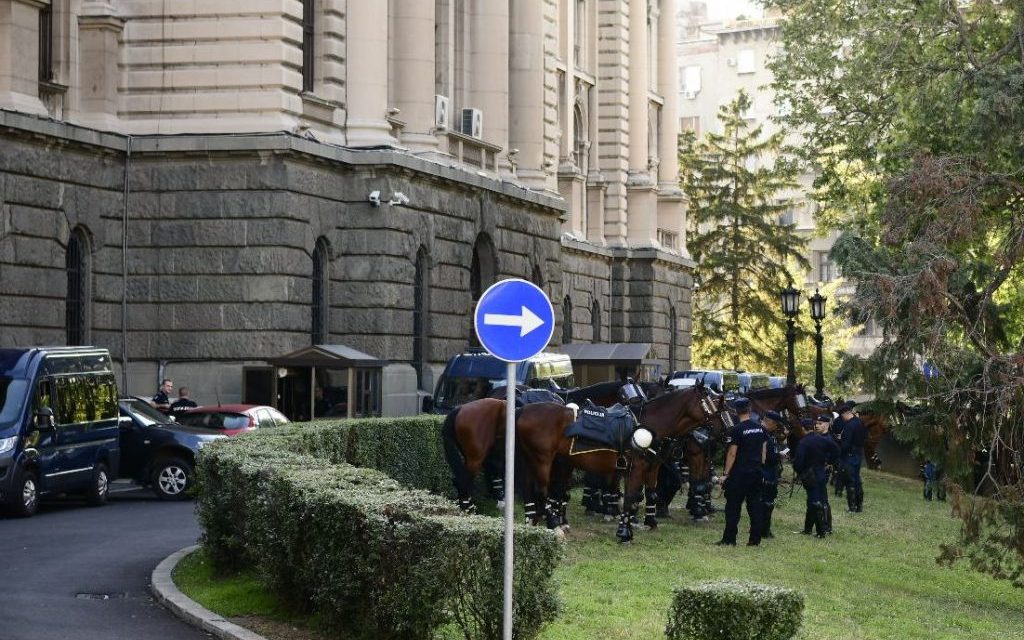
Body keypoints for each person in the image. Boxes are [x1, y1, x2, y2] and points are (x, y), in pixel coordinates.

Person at [716, 397, 768, 547]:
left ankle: (729, 539)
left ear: (736, 411)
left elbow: (732, 453)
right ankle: (754, 540)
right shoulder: (761, 429)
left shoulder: (737, 430)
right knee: (755, 507)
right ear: (750, 409)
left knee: (733, 507)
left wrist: (726, 474)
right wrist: (760, 467)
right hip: (756, 472)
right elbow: (763, 452)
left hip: (739, 474)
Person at [793, 415, 841, 537]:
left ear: (803, 429)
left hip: (810, 475)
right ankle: (808, 528)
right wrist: (830, 462)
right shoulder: (823, 440)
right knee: (815, 500)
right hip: (821, 472)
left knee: (815, 502)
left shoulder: (803, 442)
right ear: (813, 427)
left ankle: (821, 531)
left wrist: (799, 472)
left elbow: (798, 462)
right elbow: (836, 451)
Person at [760, 410, 787, 539]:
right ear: (770, 422)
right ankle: (763, 530)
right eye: (776, 424)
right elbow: (769, 457)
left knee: (766, 503)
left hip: (766, 472)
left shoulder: (765, 434)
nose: (777, 427)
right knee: (766, 503)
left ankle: (764, 529)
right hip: (766, 473)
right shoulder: (764, 436)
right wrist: (779, 456)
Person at [838, 400, 867, 512]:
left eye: (842, 416)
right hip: (858, 454)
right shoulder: (860, 423)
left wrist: (840, 452)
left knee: (850, 480)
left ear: (846, 413)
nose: (842, 419)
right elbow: (865, 438)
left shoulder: (849, 426)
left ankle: (852, 507)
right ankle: (859, 506)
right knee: (857, 480)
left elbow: (846, 444)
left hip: (849, 455)